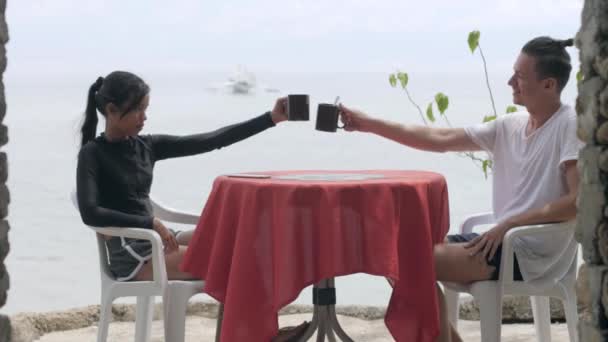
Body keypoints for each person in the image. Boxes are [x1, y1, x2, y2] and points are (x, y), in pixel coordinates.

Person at [338, 36, 581, 342]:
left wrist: (509, 223)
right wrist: (367, 123)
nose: (510, 82)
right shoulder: (511, 126)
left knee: (406, 262)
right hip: (497, 242)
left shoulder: (568, 125)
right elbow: (438, 138)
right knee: (391, 253)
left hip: (531, 251)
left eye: (519, 77)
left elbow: (577, 202)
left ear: (548, 85)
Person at [76, 70, 288, 282]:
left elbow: (211, 140)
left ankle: (238, 315)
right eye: (138, 110)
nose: (144, 117)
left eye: (145, 109)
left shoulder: (147, 146)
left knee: (239, 241)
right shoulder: (93, 153)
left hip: (160, 239)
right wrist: (151, 223)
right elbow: (90, 213)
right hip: (134, 254)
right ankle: (240, 316)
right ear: (112, 110)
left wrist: (270, 119)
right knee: (230, 263)